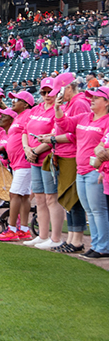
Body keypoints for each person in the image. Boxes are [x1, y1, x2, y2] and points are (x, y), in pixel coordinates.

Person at [37, 76, 90, 253]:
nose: (57, 95)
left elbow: (75, 135)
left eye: (59, 90)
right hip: (62, 153)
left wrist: (52, 139)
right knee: (68, 198)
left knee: (73, 199)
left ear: (68, 88)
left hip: (72, 155)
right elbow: (63, 127)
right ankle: (72, 239)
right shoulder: (69, 103)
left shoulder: (79, 103)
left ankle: (77, 240)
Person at [55, 86, 109, 259]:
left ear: (106, 102)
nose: (91, 100)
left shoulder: (107, 121)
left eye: (96, 98)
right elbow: (64, 125)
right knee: (90, 210)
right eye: (90, 97)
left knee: (98, 210)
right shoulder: (85, 117)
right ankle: (96, 244)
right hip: (81, 170)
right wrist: (57, 108)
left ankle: (103, 246)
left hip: (96, 170)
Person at [22, 77, 63, 250]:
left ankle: (55, 238)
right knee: (39, 198)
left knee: (51, 198)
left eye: (50, 92)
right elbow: (25, 131)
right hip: (34, 157)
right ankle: (43, 235)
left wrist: (35, 151)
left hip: (48, 158)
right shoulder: (36, 109)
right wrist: (26, 149)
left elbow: (55, 135)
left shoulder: (57, 110)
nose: (47, 95)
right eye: (44, 92)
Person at [0, 91, 35, 242]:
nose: (13, 101)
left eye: (17, 100)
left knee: (15, 194)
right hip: (17, 161)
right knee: (23, 196)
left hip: (24, 161)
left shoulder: (29, 115)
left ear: (25, 104)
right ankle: (24, 229)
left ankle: (12, 229)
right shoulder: (19, 116)